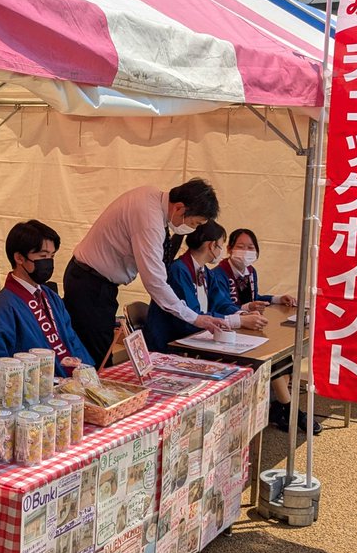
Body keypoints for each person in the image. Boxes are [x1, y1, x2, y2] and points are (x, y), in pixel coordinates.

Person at [63, 179, 227, 367]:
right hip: (90, 283)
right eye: (194, 223)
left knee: (95, 352)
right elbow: (154, 282)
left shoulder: (151, 196)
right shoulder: (150, 221)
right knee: (97, 358)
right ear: (180, 208)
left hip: (94, 281)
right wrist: (195, 318)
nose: (193, 229)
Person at [210, 228, 318, 434]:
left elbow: (255, 296)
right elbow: (221, 304)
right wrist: (244, 311)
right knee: (273, 356)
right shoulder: (218, 274)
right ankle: (291, 409)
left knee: (285, 354)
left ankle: (278, 406)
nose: (246, 252)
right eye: (240, 247)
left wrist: (277, 299)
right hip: (231, 330)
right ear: (229, 248)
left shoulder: (250, 272)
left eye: (250, 247)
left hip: (250, 328)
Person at [0, 220, 93, 390]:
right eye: (42, 256)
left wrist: (88, 372)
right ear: (19, 258)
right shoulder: (1, 307)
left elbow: (71, 339)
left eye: (52, 256)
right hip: (31, 394)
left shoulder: (51, 297)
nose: (49, 262)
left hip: (67, 387)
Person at [142, 221, 267, 350]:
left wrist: (241, 314)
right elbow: (190, 318)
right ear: (212, 245)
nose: (221, 251)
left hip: (191, 341)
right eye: (221, 245)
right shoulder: (179, 270)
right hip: (168, 345)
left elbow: (220, 303)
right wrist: (238, 321)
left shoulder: (205, 271)